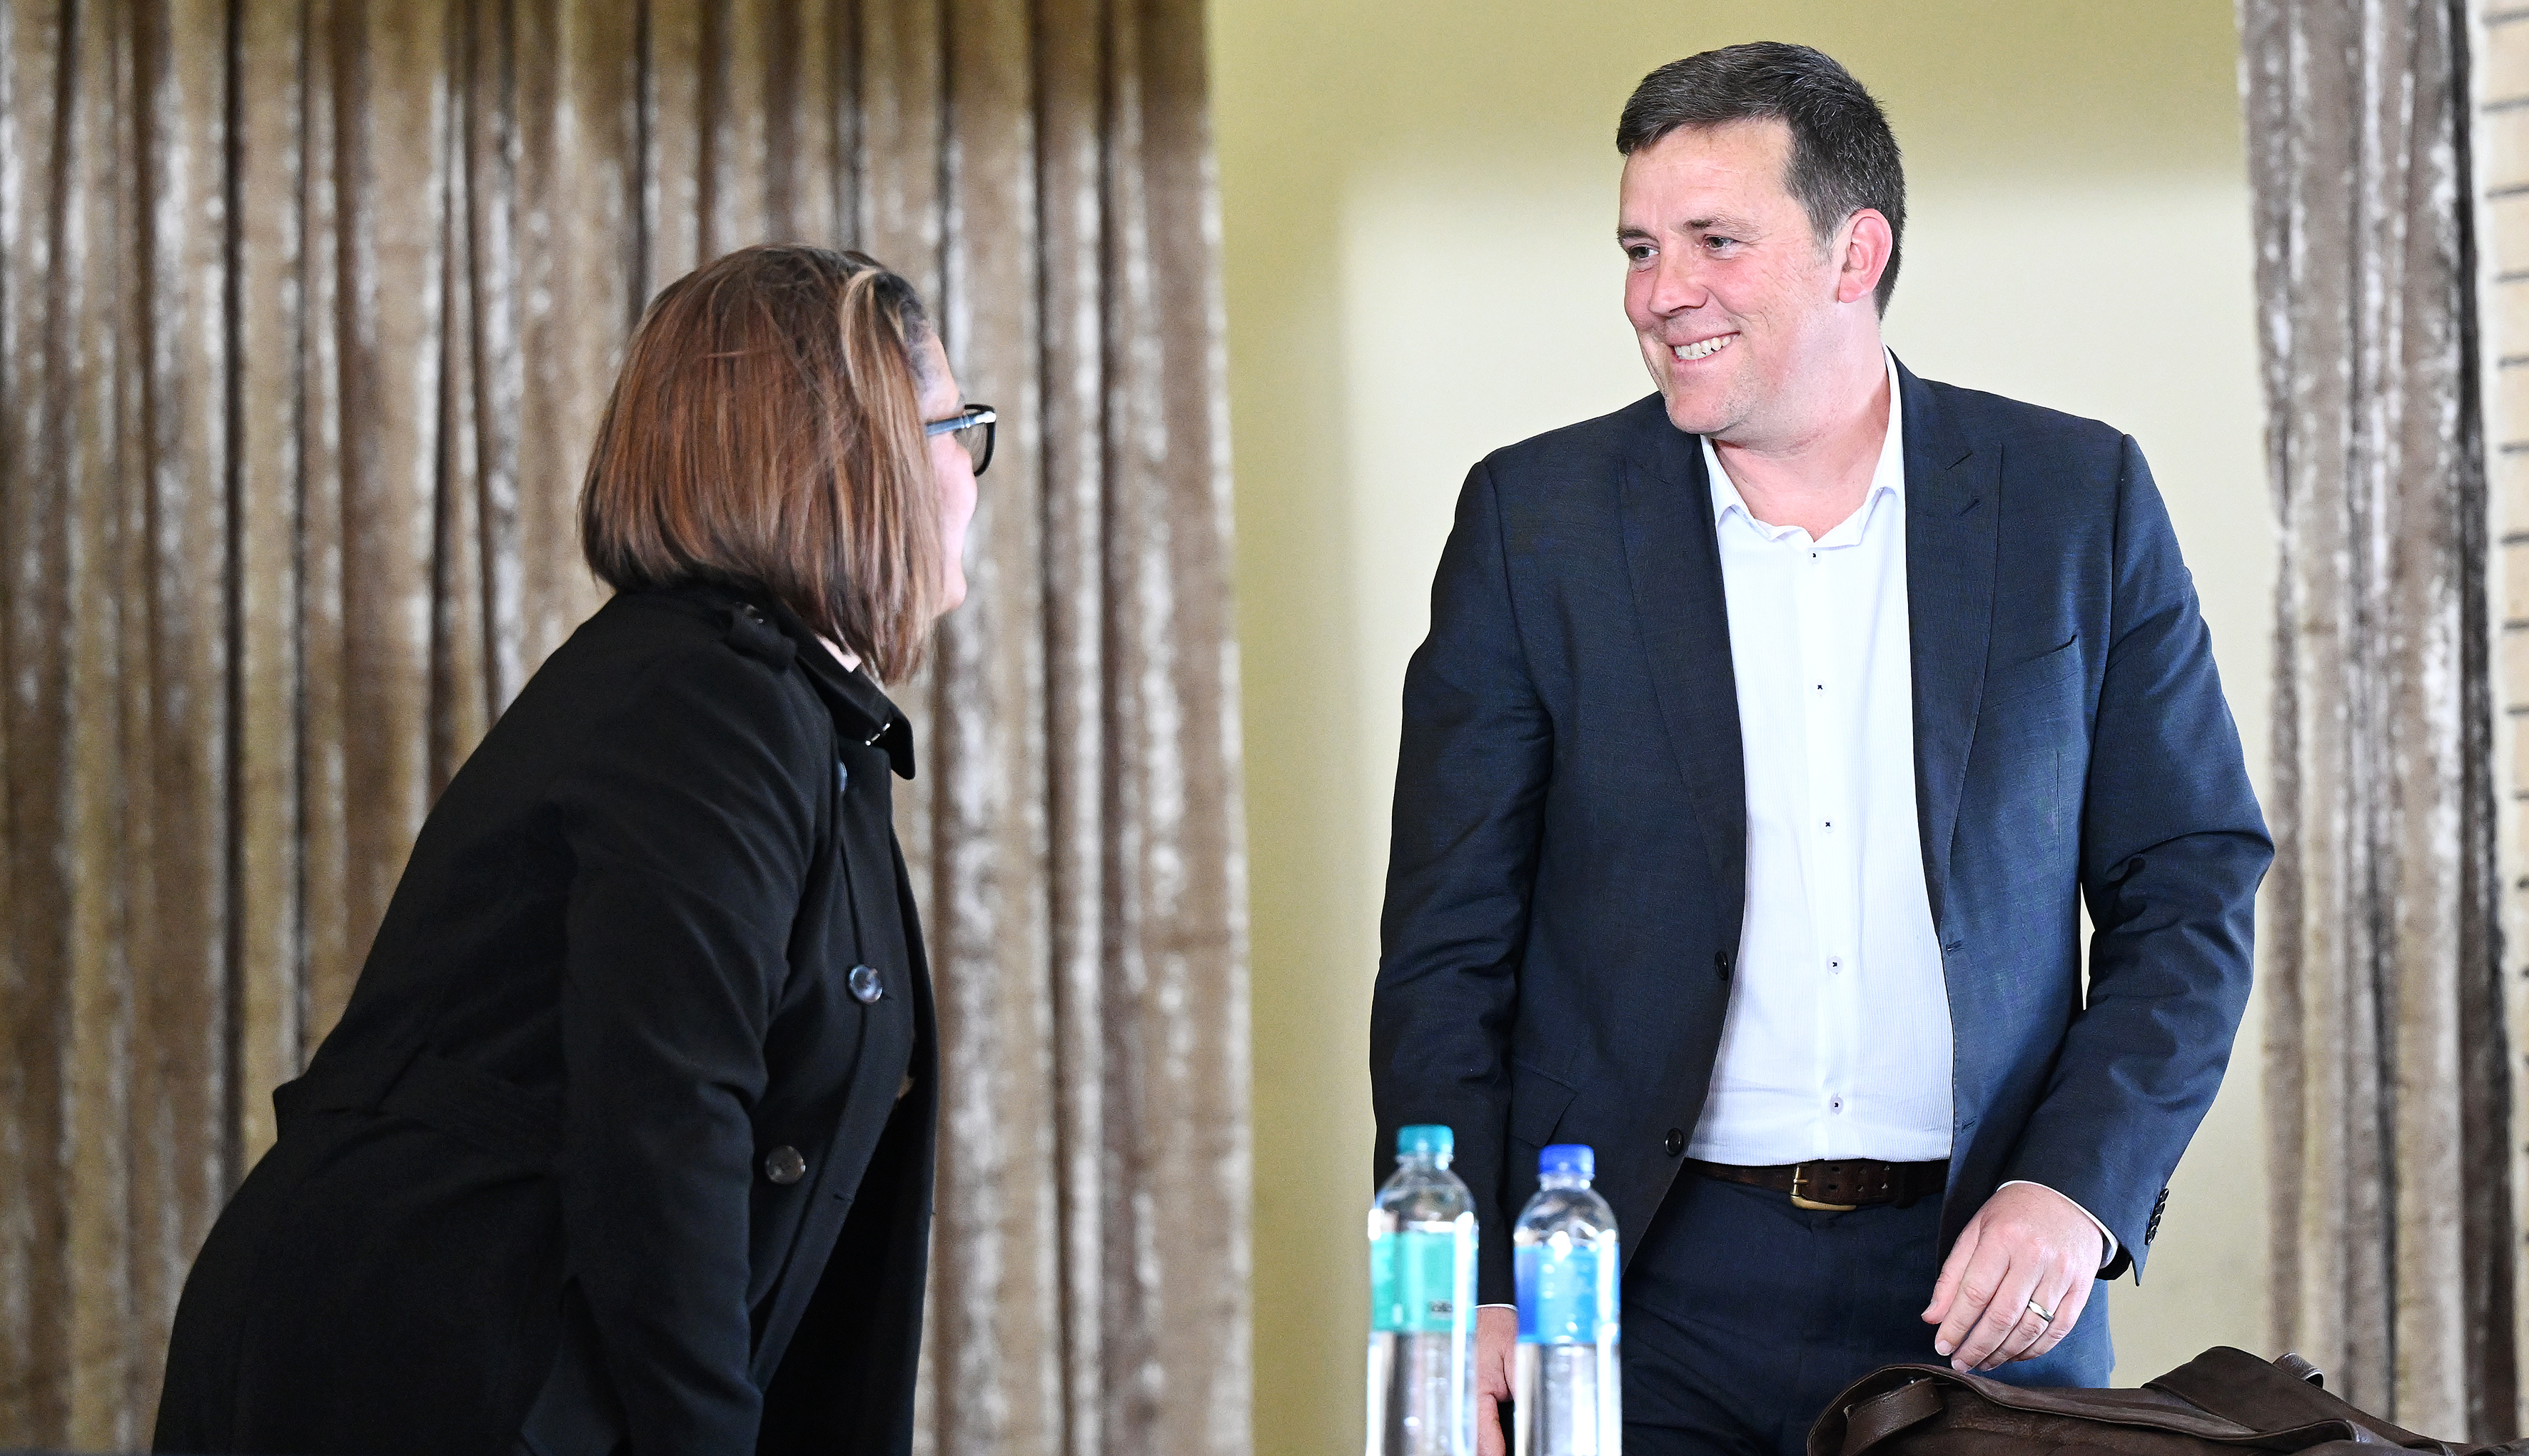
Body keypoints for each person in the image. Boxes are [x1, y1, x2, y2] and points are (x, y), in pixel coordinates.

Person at [1368, 42, 2268, 1456]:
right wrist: (1464, 1282)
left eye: (1714, 241)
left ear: (1857, 253)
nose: (1661, 292)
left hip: (1988, 1286)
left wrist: (2078, 1187)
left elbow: (2191, 884)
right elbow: (1446, 946)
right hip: (1627, 1295)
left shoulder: (2072, 498)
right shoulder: (1532, 523)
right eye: (1639, 248)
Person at [154, 244, 994, 1456]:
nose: (969, 468)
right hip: (430, 1373)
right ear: (857, 458)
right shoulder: (709, 702)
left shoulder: (766, 703)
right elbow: (666, 1128)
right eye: (956, 427)